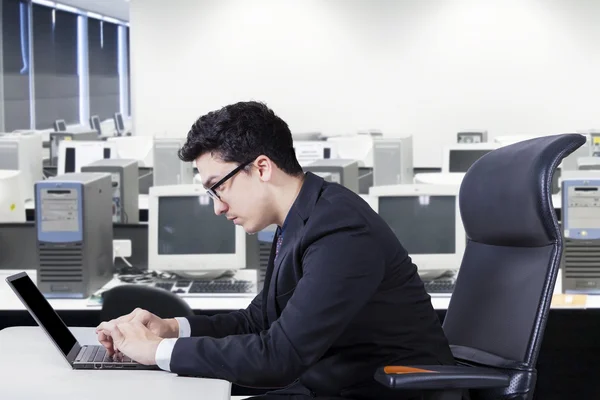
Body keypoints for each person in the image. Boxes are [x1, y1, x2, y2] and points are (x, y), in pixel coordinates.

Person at [96, 101, 454, 399]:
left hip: (387, 392)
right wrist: (173, 329)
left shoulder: (341, 230)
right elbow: (259, 321)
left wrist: (155, 351)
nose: (218, 206)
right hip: (335, 384)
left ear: (262, 168)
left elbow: (280, 356)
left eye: (217, 187)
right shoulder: (300, 219)